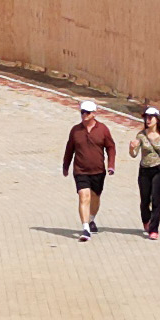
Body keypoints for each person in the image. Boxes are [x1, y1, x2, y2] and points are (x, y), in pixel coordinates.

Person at [62, 96, 117, 240]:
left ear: (94, 113)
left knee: (95, 198)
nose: (84, 115)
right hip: (80, 171)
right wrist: (65, 166)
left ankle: (91, 218)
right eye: (82, 112)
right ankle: (85, 228)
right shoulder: (75, 131)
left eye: (87, 112)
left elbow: (111, 148)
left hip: (98, 171)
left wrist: (111, 165)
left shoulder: (103, 129)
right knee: (83, 196)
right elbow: (69, 149)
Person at [131, 104, 160, 238]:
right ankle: (146, 220)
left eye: (151, 117)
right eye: (146, 117)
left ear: (157, 119)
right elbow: (134, 155)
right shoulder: (141, 135)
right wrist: (131, 148)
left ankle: (154, 229)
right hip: (144, 170)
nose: (148, 120)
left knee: (156, 199)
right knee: (145, 200)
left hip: (159, 170)